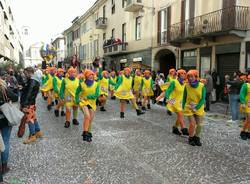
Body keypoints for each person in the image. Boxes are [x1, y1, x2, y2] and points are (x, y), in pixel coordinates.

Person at [0, 71, 18, 175]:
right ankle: (4, 166)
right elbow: (15, 97)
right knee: (5, 141)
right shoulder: (3, 86)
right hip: (4, 117)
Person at [75, 70, 100, 142]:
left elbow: (96, 94)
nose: (91, 76)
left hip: (92, 103)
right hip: (83, 102)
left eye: (92, 75)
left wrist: (88, 97)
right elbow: (77, 93)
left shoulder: (96, 84)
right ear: (86, 76)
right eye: (89, 75)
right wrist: (77, 100)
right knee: (87, 115)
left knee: (90, 119)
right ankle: (85, 133)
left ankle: (89, 133)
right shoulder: (82, 84)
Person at [20, 67, 43, 144]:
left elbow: (29, 93)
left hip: (29, 104)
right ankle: (38, 131)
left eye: (25, 73)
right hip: (31, 103)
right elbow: (29, 91)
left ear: (29, 72)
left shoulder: (32, 81)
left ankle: (32, 136)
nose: (25, 75)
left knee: (30, 119)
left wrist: (24, 105)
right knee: (33, 117)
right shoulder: (34, 80)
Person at [183, 70, 206, 146]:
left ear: (196, 77)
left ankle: (197, 137)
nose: (190, 78)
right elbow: (184, 97)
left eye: (191, 76)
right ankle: (191, 138)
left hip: (198, 107)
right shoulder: (186, 85)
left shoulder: (202, 86)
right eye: (188, 76)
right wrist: (183, 107)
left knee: (199, 125)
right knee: (192, 124)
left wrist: (197, 107)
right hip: (189, 107)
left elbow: (203, 99)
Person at [163, 69, 189, 136]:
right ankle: (183, 128)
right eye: (181, 74)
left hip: (180, 101)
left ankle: (175, 128)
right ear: (178, 75)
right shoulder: (174, 82)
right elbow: (168, 90)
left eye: (184, 74)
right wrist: (167, 98)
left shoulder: (185, 83)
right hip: (173, 100)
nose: (183, 75)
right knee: (180, 114)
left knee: (179, 115)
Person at [239, 75, 250, 140]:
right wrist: (242, 102)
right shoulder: (245, 85)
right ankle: (243, 132)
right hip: (246, 104)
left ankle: (248, 132)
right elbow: (241, 94)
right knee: (248, 118)